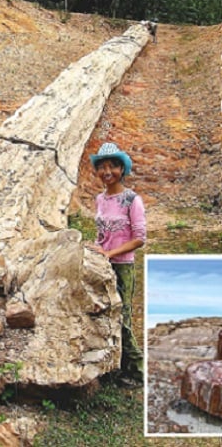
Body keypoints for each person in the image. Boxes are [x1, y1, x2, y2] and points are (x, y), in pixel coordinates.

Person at [87, 142, 146, 385]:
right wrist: (96, 247)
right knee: (105, 315)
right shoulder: (101, 199)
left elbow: (139, 238)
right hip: (103, 265)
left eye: (112, 166)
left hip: (121, 266)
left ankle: (138, 370)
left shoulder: (132, 200)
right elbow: (103, 234)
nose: (106, 171)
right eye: (102, 167)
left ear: (122, 169)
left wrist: (110, 254)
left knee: (123, 317)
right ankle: (115, 366)